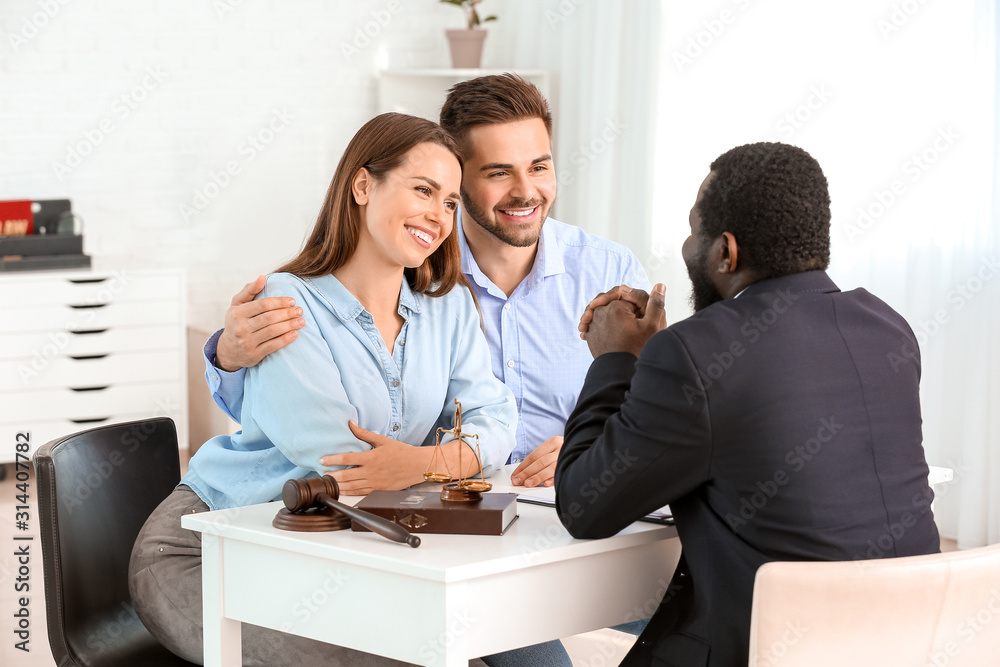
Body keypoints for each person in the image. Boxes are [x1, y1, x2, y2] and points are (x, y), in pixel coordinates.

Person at [201, 73, 651, 665]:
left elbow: (661, 412)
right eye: (497, 173)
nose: (525, 191)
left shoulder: (603, 271)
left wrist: (591, 440)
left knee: (705, 596)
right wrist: (226, 355)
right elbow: (323, 430)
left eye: (539, 166)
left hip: (548, 516)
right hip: (430, 528)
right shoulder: (406, 277)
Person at [129, 112, 517, 666]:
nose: (438, 215)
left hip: (326, 549)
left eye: (451, 202)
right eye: (424, 190)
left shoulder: (448, 308)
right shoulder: (287, 302)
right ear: (363, 186)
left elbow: (498, 418)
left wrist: (423, 463)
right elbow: (342, 460)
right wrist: (451, 459)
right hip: (211, 547)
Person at [558, 142, 941, 667]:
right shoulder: (887, 327)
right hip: (900, 645)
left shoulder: (694, 352)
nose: (688, 243)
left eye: (695, 229)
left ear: (726, 252)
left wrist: (616, 358)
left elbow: (584, 506)